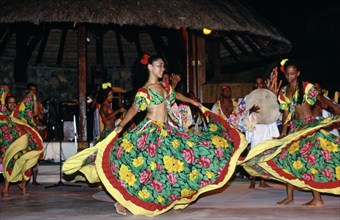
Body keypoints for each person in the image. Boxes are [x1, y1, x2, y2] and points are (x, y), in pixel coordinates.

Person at [63, 53, 248, 216]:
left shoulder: (165, 87)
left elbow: (176, 95)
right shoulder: (144, 91)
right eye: (159, 65)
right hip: (150, 132)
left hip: (166, 131)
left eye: (163, 66)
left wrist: (194, 102)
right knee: (142, 168)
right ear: (150, 67)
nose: (162, 69)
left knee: (180, 162)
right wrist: (122, 125)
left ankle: (172, 196)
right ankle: (122, 200)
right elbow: (134, 109)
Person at [239, 59, 340, 207]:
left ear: (298, 73)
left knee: (311, 160)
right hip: (295, 127)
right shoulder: (284, 91)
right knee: (286, 159)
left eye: (292, 74)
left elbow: (320, 97)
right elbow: (286, 113)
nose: (290, 77)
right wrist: (284, 133)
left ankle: (317, 199)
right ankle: (289, 197)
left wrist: (335, 107)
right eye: (287, 74)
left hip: (308, 126)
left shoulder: (305, 86)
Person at [0, 86, 43, 198]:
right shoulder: (4, 113)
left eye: (14, 102)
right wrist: (5, 90)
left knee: (27, 162)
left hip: (21, 143)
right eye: (10, 102)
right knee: (11, 162)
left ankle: (23, 186)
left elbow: (32, 114)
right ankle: (5, 189)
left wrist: (33, 98)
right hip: (8, 144)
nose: (12, 104)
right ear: (5, 104)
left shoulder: (19, 113)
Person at [245, 75, 281, 189]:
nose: (259, 85)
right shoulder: (248, 98)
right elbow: (240, 114)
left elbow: (276, 112)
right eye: (257, 83)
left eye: (261, 83)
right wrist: (250, 110)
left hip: (267, 128)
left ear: (264, 84)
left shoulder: (269, 96)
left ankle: (263, 181)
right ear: (254, 85)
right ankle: (252, 179)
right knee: (254, 154)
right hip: (256, 129)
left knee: (266, 154)